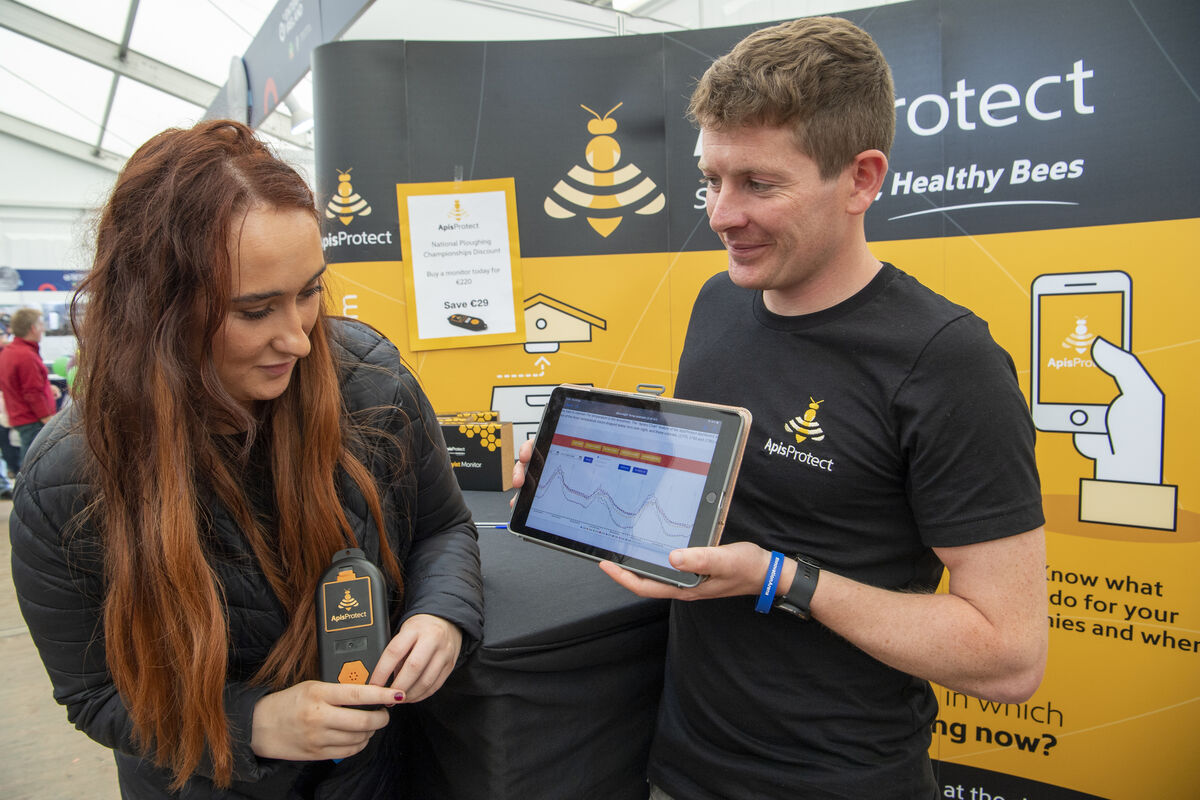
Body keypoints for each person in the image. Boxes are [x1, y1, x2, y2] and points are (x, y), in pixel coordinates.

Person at [513, 17, 1046, 799]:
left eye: (759, 184)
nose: (722, 214)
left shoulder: (947, 363)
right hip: (680, 763)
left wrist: (781, 580)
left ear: (862, 178)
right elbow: (719, 509)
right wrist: (599, 477)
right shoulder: (717, 303)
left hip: (839, 780)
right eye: (711, 179)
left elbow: (1009, 655)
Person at [10, 120, 484, 799]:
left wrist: (443, 613)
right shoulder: (66, 483)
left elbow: (443, 528)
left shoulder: (373, 382)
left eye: (310, 291)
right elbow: (94, 693)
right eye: (256, 310)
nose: (297, 338)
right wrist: (252, 724)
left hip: (372, 777)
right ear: (158, 309)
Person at [0, 306, 60, 466]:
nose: (43, 329)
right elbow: (31, 392)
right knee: (34, 464)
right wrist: (47, 418)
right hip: (33, 420)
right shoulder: (26, 355)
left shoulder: (10, 351)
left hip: (23, 417)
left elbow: (18, 384)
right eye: (41, 325)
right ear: (33, 328)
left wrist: (48, 387)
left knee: (29, 460)